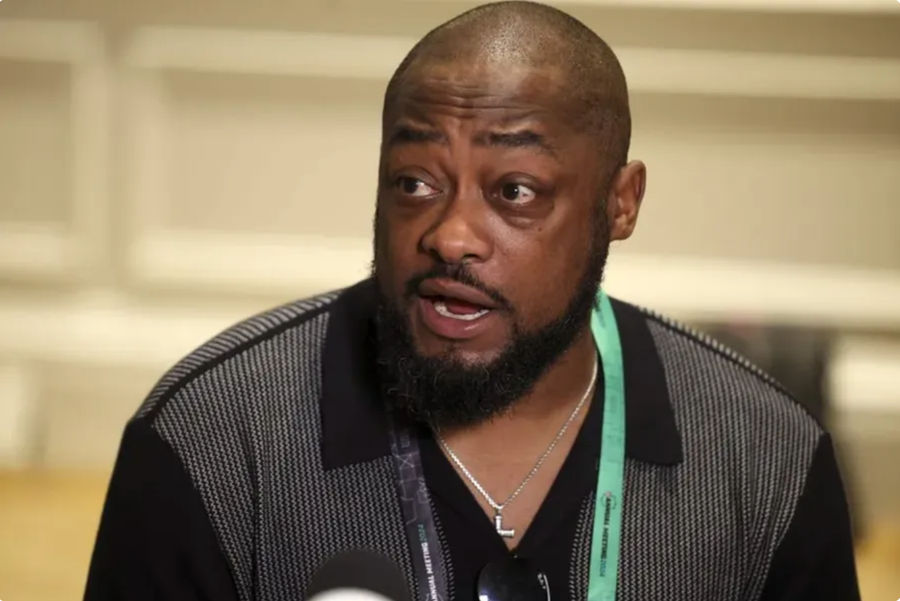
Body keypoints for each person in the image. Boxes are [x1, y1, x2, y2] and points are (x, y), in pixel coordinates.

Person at [83, 2, 860, 600]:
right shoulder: (211, 437)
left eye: (514, 192)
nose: (450, 235)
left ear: (621, 204)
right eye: (414, 183)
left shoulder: (766, 460)